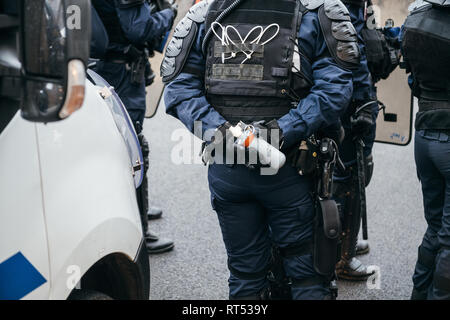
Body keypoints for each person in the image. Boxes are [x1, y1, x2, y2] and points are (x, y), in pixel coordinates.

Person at [163, 0, 359, 299]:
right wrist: (278, 134)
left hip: (229, 167)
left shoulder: (205, 13)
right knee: (307, 277)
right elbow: (336, 89)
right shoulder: (318, 10)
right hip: (290, 170)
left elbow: (178, 88)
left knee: (245, 274)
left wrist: (223, 133)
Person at [91, 0, 177, 254]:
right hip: (120, 72)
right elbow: (140, 29)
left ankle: (134, 206)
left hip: (103, 66)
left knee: (116, 144)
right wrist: (170, 14)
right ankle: (140, 231)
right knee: (133, 149)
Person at [401, 0, 450, 300]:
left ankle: (419, 293)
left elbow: (411, 78)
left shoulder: (415, 19)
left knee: (435, 228)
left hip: (424, 135)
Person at [333, 0, 378, 281]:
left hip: (332, 93)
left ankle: (338, 243)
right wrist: (364, 103)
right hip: (350, 98)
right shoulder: (348, 5)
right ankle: (342, 257)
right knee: (351, 174)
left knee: (339, 171)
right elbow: (354, 53)